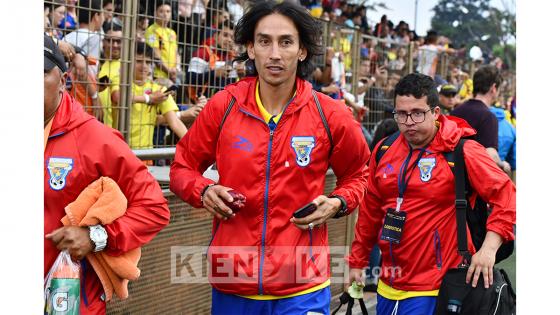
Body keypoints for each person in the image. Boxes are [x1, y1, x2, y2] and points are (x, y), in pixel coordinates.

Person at [169, 1, 370, 314]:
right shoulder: (223, 107)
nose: (275, 54)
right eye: (264, 41)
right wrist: (204, 191)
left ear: (302, 51)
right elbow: (182, 169)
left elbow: (360, 173)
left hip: (304, 284)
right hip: (234, 283)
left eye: (286, 42)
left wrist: (337, 203)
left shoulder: (330, 114)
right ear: (251, 48)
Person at [348, 73, 515, 314]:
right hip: (387, 283)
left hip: (437, 287)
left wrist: (488, 249)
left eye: (417, 113)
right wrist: (357, 261)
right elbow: (370, 213)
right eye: (401, 114)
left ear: (436, 112)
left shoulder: (462, 150)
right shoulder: (384, 150)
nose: (409, 122)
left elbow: (507, 195)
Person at [44, 34, 170, 314]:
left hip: (68, 299)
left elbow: (154, 208)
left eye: (40, 73)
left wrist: (96, 236)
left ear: (63, 80)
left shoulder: (94, 138)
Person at [450, 65, 512, 175]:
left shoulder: (455, 112)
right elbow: (490, 156)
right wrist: (503, 165)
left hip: (450, 178)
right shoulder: (488, 117)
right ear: (493, 88)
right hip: (471, 184)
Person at [128, 42, 187, 149]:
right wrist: (149, 99)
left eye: (148, 62)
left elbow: (175, 123)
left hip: (144, 154)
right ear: (128, 61)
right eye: (139, 61)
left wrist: (193, 145)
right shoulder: (122, 86)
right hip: (119, 151)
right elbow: (118, 97)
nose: (144, 66)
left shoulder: (159, 90)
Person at [145, 0, 180, 84]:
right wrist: (169, 71)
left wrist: (176, 69)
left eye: (168, 11)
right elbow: (155, 55)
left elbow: (176, 53)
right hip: (158, 75)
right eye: (161, 11)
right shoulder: (152, 30)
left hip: (173, 74)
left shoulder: (172, 32)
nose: (165, 14)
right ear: (155, 13)